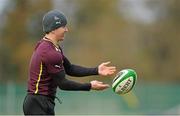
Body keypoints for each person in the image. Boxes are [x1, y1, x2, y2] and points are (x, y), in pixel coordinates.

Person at [23, 10, 116, 115]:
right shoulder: (50, 52)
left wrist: (97, 70)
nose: (66, 30)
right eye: (63, 26)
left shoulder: (52, 47)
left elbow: (70, 68)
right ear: (53, 29)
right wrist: (89, 86)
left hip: (42, 102)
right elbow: (63, 84)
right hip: (37, 104)